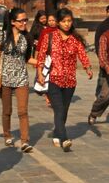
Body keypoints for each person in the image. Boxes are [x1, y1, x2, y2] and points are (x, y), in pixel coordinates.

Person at [35, 8, 92, 150]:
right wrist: (40, 73)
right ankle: (65, 138)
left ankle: (57, 133)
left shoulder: (75, 39)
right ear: (58, 22)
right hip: (54, 78)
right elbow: (41, 57)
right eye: (63, 21)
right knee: (59, 108)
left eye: (69, 21)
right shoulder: (50, 37)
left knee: (64, 110)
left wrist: (88, 67)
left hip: (70, 80)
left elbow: (82, 54)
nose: (67, 24)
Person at [0, 8, 36, 152]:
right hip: (5, 78)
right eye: (21, 20)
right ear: (12, 22)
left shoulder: (27, 38)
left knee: (23, 111)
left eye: (25, 20)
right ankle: (7, 135)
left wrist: (41, 62)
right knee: (7, 110)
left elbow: (28, 58)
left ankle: (25, 141)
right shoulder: (2, 36)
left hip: (22, 78)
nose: (24, 23)